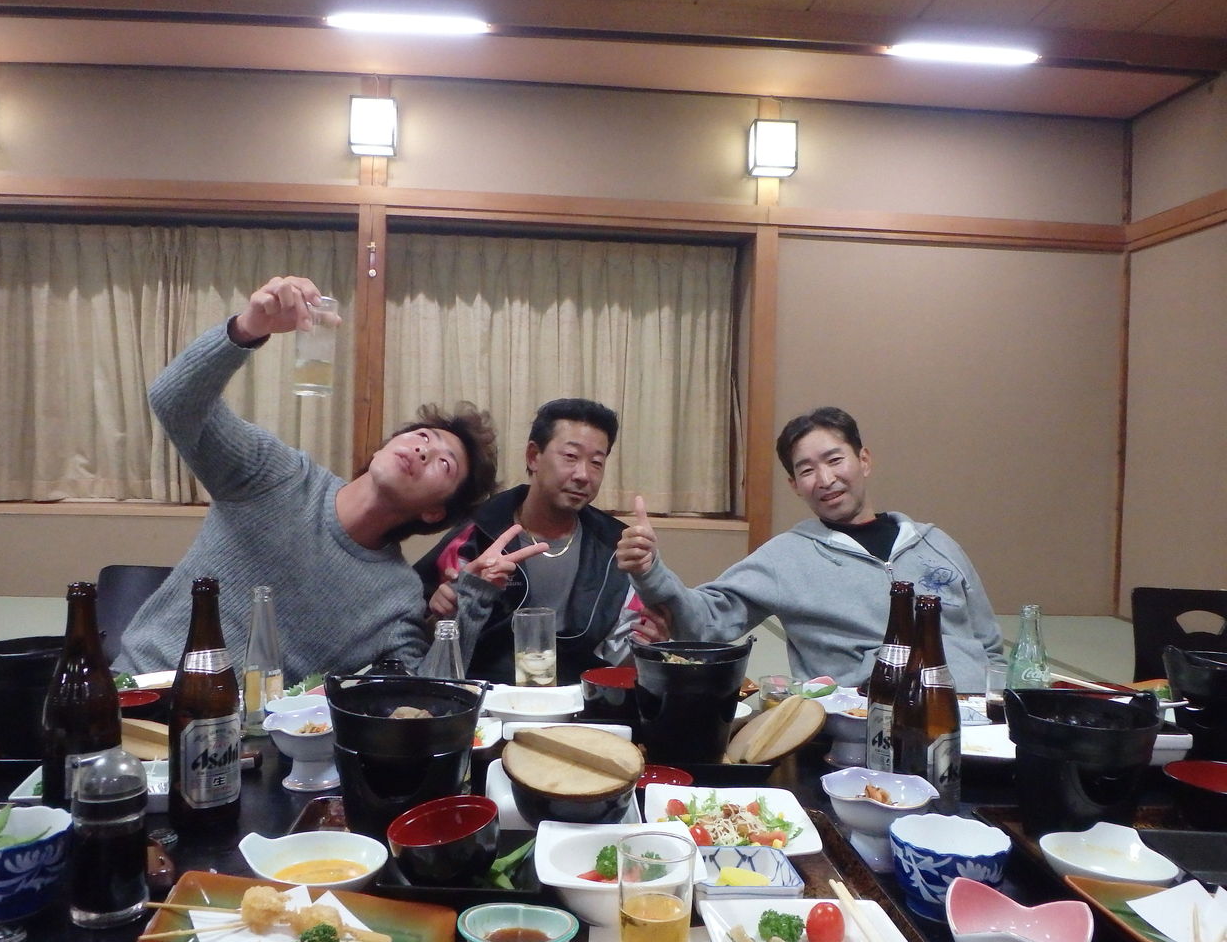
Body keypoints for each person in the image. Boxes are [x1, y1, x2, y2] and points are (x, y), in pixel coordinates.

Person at [116, 275, 542, 683]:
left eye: (443, 464)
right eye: (422, 436)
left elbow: (421, 696)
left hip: (242, 728)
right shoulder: (278, 476)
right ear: (384, 447)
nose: (423, 450)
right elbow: (173, 400)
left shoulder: (396, 597)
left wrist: (473, 597)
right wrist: (248, 328)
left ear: (434, 512)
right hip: (139, 692)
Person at [616, 406, 1004, 692]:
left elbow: (989, 646)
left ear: (864, 460)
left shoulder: (936, 544)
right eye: (806, 470)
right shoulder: (785, 558)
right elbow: (707, 621)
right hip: (864, 723)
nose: (825, 479)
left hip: (973, 722)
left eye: (835, 460)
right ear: (795, 486)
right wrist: (650, 570)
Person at [415, 398, 664, 684]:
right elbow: (416, 630)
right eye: (570, 456)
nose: (583, 475)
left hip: (580, 699)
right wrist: (436, 615)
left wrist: (651, 646)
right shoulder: (478, 531)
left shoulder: (615, 547)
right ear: (533, 456)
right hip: (487, 696)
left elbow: (621, 659)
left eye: (596, 463)